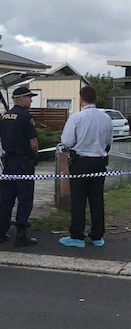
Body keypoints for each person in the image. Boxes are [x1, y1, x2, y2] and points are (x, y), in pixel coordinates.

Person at [58, 86, 114, 248]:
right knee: (97, 199)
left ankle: (77, 236)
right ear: (95, 99)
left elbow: (67, 142)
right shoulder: (106, 118)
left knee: (78, 200)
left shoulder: (76, 118)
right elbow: (109, 141)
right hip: (99, 162)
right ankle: (97, 235)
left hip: (80, 162)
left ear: (81, 100)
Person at [0, 86, 39, 246]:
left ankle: (0, 232)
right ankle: (21, 235)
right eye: (29, 97)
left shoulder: (5, 116)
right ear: (21, 99)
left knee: (7, 198)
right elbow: (33, 143)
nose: (31, 100)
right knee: (25, 199)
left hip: (8, 162)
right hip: (23, 163)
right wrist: (35, 155)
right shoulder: (25, 117)